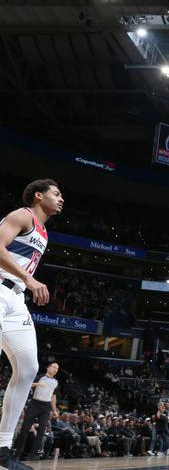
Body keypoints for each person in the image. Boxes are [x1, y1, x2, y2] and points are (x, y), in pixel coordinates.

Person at [0, 179, 63, 470]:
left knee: (27, 368)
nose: (61, 199)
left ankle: (2, 450)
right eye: (56, 194)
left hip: (16, 298)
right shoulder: (23, 215)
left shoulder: (44, 231)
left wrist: (25, 282)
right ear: (39, 196)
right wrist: (28, 278)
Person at [13, 361, 59, 460]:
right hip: (34, 404)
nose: (55, 369)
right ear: (48, 368)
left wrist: (54, 410)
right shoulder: (40, 377)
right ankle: (18, 453)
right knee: (25, 429)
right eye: (54, 367)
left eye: (57, 368)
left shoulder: (56, 382)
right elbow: (28, 384)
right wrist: (38, 384)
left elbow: (53, 396)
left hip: (46, 407)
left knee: (42, 429)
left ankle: (34, 454)